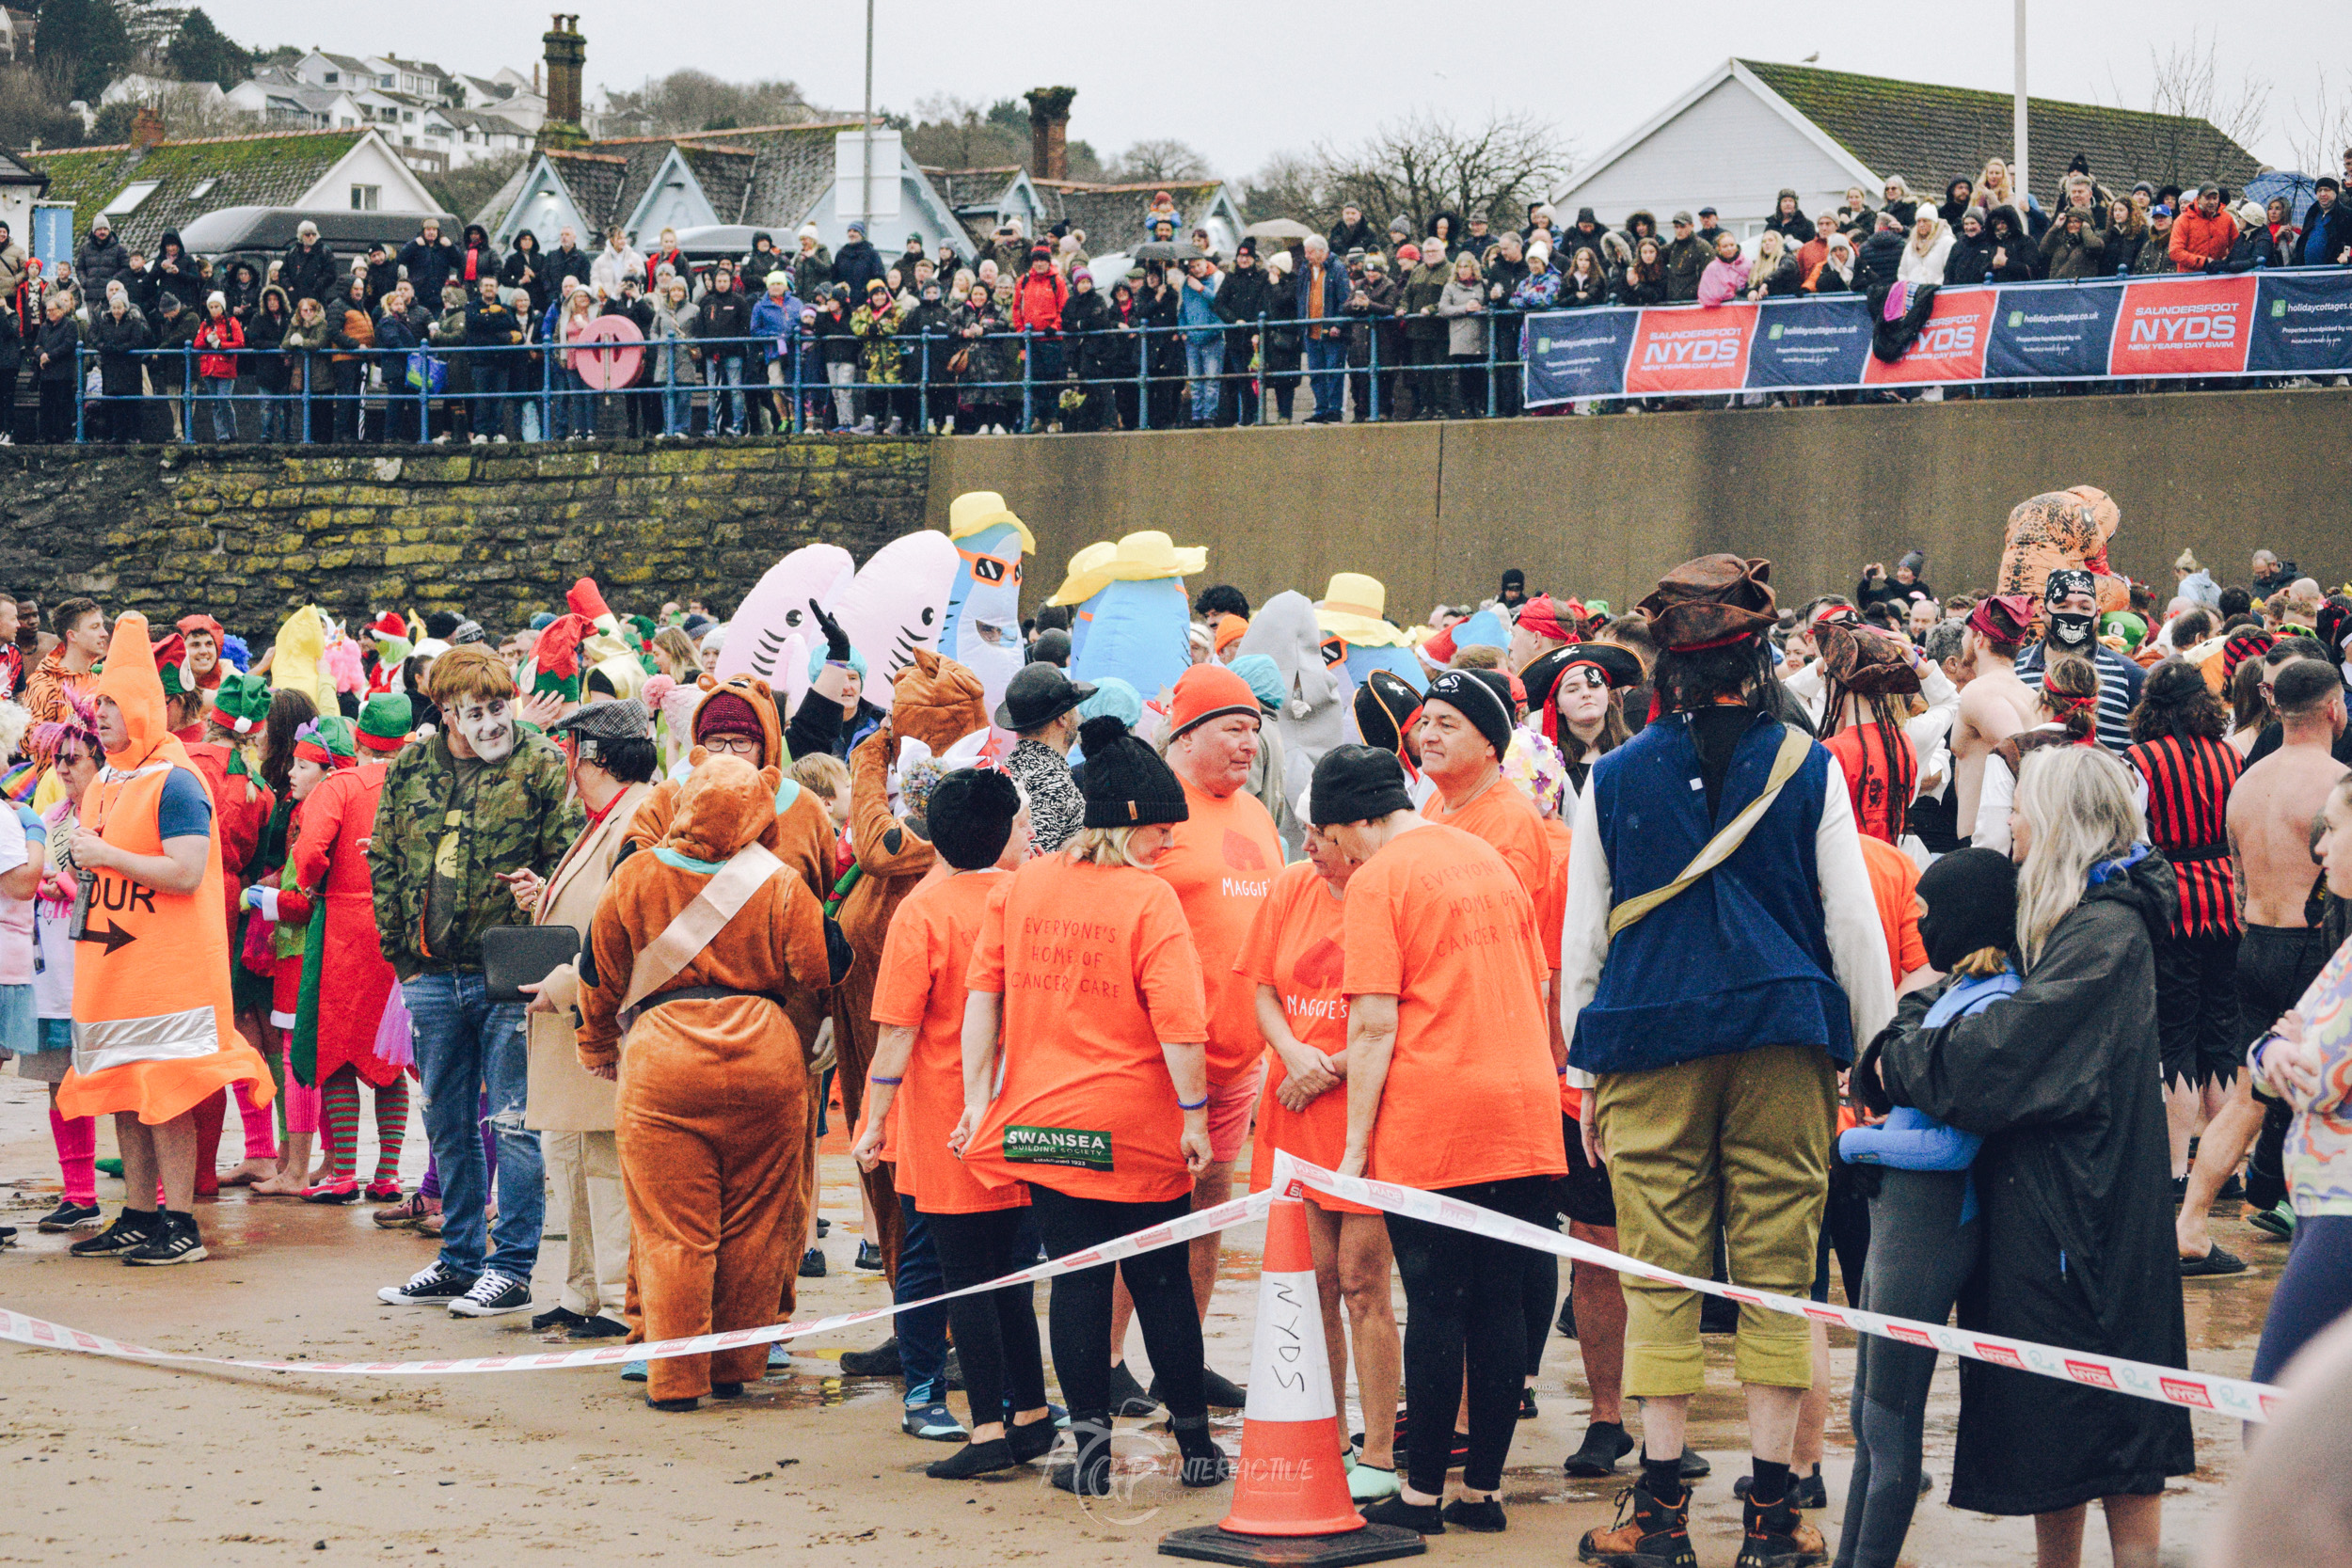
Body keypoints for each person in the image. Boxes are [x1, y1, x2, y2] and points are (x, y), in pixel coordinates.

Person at [1565, 555, 1893, 1568]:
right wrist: (1872, 1055)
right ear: (1754, 661)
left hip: (1650, 1039)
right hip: (1782, 1037)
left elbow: (1585, 936)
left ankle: (1658, 1516)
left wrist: (1583, 1070)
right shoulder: (1808, 764)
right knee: (1777, 1273)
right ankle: (1772, 1516)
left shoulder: (1610, 776)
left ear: (1659, 667)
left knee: (1658, 1271)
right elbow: (1851, 922)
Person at [1866, 745, 2194, 1567]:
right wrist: (1906, 1035)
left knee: (2116, 1425)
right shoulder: (2066, 919)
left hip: (2086, 1218)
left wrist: (1894, 1058)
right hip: (2063, 1207)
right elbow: (1958, 1004)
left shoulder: (2103, 931)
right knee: (2059, 1428)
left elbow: (1997, 1058)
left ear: (2059, 822)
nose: (2008, 822)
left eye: (2021, 807)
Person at [957, 715, 1229, 1496]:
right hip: (1136, 1129)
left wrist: (980, 1100)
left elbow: (984, 998)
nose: (1170, 846)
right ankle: (1197, 1447)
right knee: (1161, 1282)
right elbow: (1182, 1026)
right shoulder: (1150, 901)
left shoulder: (1023, 885)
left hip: (1043, 1123)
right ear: (1130, 824)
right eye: (1165, 831)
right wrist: (1194, 1117)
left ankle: (1089, 1455)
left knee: (1075, 1281)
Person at [1301, 744, 1563, 1535]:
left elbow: (1374, 1020)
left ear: (1351, 826)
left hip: (1439, 1111)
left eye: (1331, 836)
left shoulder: (1381, 878)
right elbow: (1538, 979)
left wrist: (1352, 1147)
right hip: (1523, 1104)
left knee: (1440, 1300)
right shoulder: (1485, 853)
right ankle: (1482, 1490)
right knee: (1502, 1298)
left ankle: (1418, 1494)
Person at [580, 752, 841, 1411]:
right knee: (756, 1223)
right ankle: (736, 1363)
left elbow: (597, 972)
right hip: (765, 1057)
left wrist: (596, 1044)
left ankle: (674, 1379)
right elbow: (819, 965)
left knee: (673, 1230)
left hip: (664, 1058)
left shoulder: (638, 874)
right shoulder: (780, 881)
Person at [852, 768, 1057, 1477]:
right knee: (1011, 1276)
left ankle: (987, 1432)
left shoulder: (923, 908)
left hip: (945, 1118)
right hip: (1018, 1110)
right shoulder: (1025, 897)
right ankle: (1028, 1411)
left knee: (964, 1279)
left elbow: (897, 1033)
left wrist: (873, 1119)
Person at [369, 645, 583, 1319]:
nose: (493, 722)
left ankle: (511, 1267)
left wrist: (541, 890)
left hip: (514, 968)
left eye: (501, 707)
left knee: (513, 1120)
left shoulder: (542, 763)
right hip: (430, 971)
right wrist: (400, 956)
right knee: (446, 1120)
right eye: (476, 711)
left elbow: (574, 857)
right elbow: (383, 856)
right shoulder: (409, 766)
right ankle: (459, 1258)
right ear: (446, 711)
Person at [59, 614, 276, 1266]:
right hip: (114, 966)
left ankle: (179, 1223)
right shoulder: (106, 779)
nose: (99, 716)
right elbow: (100, 864)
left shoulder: (177, 780)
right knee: (126, 1093)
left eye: (112, 704)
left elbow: (184, 871)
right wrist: (82, 861)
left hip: (169, 974)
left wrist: (103, 855)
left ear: (144, 710)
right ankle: (139, 1213)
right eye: (97, 702)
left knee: (169, 1098)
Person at [1097, 664, 1284, 1414]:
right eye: (1233, 729)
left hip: (1238, 1056)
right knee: (1138, 1212)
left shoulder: (1259, 815)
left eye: (1255, 731)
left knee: (1210, 1210)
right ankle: (1108, 1358)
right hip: (1156, 1058)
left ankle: (1186, 1358)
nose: (1249, 744)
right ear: (1185, 734)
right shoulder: (1150, 808)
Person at [1833, 847, 2018, 1568]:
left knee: (1889, 1420)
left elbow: (1951, 1148)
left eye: (1929, 915)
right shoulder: (1953, 993)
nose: (1921, 925)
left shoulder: (1993, 1001)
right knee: (1866, 1416)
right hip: (1898, 1224)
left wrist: (1854, 1151)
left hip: (1931, 1224)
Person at [1236, 802, 1404, 1500]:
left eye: (1317, 834)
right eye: (1302, 831)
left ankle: (1379, 1450)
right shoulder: (1290, 887)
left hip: (1363, 1111)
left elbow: (1398, 1013)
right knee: (1313, 1287)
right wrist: (1289, 1050)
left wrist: (1329, 1066)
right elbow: (1262, 988)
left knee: (1364, 1282)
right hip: (1292, 1108)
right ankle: (1326, 1435)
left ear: (1352, 832)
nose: (1306, 845)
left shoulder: (1387, 890)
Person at [269, 702, 411, 1201]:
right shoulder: (419, 779)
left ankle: (343, 1173)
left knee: (337, 1053)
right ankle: (389, 1174)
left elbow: (309, 852)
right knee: (391, 1053)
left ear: (362, 734)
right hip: (403, 927)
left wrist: (308, 885)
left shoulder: (341, 786)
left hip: (345, 927)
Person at [2123, 661, 2249, 1220]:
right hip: (2227, 900)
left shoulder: (2140, 761)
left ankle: (2178, 1168)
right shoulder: (2231, 756)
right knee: (2221, 1035)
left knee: (2174, 1036)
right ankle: (2229, 1170)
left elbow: (2130, 835)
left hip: (2171, 901)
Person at [2244, 774, 2352, 1386]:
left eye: (2333, 829)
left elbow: (2314, 1081)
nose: (2320, 849)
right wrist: (2280, 1047)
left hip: (2342, 1203)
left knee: (2276, 1402)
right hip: (2321, 1197)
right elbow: (2269, 1050)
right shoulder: (2345, 949)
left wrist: (2283, 1047)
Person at [2017, 568, 2144, 752]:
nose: (2074, 614)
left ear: (2098, 614)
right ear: (2043, 612)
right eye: (2063, 606)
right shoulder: (2017, 667)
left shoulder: (2129, 674)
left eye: (2084, 608)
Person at [996, 660, 1089, 854]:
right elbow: (1031, 862)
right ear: (1062, 718)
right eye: (1074, 709)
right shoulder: (1052, 783)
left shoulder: (1006, 768)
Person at [26, 595, 106, 726]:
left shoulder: (103, 676)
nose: (104, 633)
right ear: (72, 636)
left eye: (102, 626)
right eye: (95, 627)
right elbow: (31, 741)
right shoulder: (45, 684)